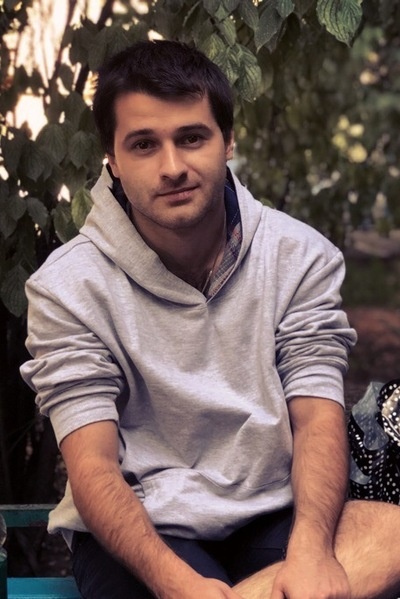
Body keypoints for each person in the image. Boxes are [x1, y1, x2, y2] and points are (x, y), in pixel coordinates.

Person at [20, 40, 400, 599]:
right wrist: (178, 585)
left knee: (391, 533)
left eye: (192, 138)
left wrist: (312, 552)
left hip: (277, 514)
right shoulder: (67, 287)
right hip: (144, 527)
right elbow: (93, 466)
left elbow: (317, 420)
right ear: (112, 161)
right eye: (144, 144)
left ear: (228, 141)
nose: (172, 167)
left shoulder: (300, 256)